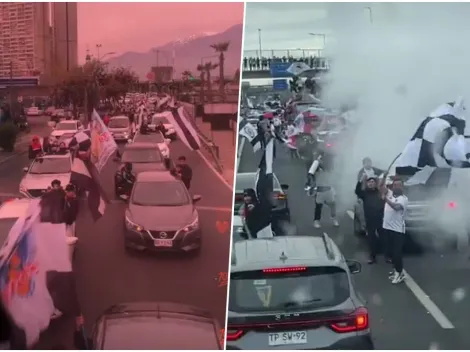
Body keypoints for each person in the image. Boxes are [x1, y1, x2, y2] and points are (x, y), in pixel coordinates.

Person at [381, 178, 408, 284]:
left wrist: (386, 200)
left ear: (402, 187)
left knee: (397, 253)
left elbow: (396, 207)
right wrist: (383, 179)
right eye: (395, 185)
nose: (397, 187)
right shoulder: (390, 194)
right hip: (387, 228)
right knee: (391, 252)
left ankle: (400, 273)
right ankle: (396, 270)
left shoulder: (403, 199)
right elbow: (381, 187)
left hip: (397, 230)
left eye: (399, 185)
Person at [355, 176, 385, 264]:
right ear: (367, 184)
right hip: (370, 219)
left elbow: (384, 190)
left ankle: (388, 256)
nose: (371, 183)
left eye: (373, 182)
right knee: (372, 239)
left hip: (380, 218)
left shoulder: (379, 192)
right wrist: (360, 180)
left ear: (375, 184)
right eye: (369, 182)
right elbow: (357, 191)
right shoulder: (365, 193)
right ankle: (372, 257)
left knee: (384, 238)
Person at [306, 153, 339, 228]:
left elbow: (333, 174)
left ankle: (334, 218)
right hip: (320, 189)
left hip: (328, 188)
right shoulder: (316, 164)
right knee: (318, 206)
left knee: (333, 205)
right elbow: (310, 174)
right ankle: (316, 221)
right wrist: (312, 185)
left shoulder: (330, 165)